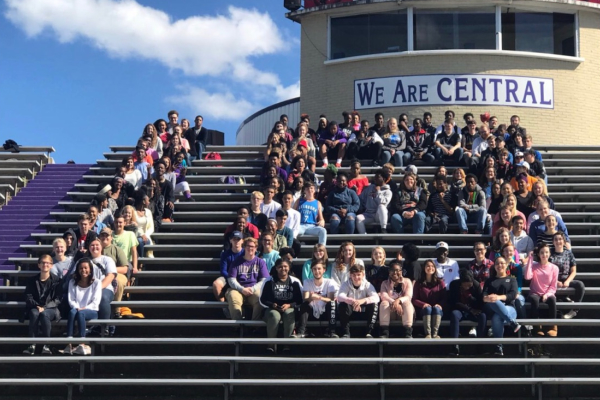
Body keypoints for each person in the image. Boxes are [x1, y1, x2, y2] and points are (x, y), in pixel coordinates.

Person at [259, 259, 303, 353]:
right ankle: (271, 345)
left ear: (289, 267)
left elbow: (300, 300)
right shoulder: (269, 281)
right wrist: (272, 305)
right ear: (276, 268)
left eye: (285, 266)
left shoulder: (295, 281)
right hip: (272, 309)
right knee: (274, 316)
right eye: (280, 267)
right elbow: (262, 299)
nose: (283, 268)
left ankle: (287, 345)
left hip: (289, 308)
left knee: (289, 314)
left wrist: (290, 305)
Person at [23, 254, 62, 355]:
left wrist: (45, 307)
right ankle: (31, 345)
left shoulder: (57, 281)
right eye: (43, 263)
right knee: (34, 314)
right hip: (35, 307)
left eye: (48, 263)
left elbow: (58, 299)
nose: (45, 265)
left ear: (51, 265)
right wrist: (37, 306)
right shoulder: (32, 280)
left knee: (45, 315)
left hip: (51, 308)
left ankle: (47, 345)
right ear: (38, 265)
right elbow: (28, 296)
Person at [482, 257, 521, 356]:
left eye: (502, 263)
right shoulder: (489, 281)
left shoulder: (512, 280)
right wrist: (488, 298)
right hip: (492, 307)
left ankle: (498, 347)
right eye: (497, 264)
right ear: (494, 266)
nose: (500, 265)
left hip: (509, 308)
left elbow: (513, 295)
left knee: (497, 317)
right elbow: (484, 295)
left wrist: (498, 297)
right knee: (493, 301)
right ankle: (512, 323)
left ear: (506, 265)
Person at [63, 258, 101, 356]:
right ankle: (69, 344)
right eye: (81, 268)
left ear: (90, 269)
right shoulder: (72, 282)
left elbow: (95, 302)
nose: (83, 270)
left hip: (91, 310)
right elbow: (71, 299)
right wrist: (77, 308)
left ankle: (82, 344)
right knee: (72, 312)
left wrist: (83, 308)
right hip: (77, 309)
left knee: (80, 313)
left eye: (86, 268)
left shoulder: (97, 282)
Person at [226, 238, 269, 321]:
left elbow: (264, 279)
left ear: (256, 248)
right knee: (233, 298)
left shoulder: (260, 262)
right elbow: (231, 279)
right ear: (244, 247)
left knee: (260, 299)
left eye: (252, 246)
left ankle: (254, 327)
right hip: (238, 289)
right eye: (248, 246)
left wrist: (253, 289)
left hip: (254, 289)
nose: (250, 248)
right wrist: (242, 289)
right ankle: (237, 326)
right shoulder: (236, 261)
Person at [448, 269, 487, 355]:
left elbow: (480, 303)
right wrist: (469, 309)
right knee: (454, 314)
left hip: (473, 311)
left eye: (469, 285)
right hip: (460, 310)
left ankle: (481, 345)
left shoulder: (476, 285)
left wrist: (470, 297)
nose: (467, 287)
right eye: (465, 285)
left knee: (483, 316)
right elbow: (454, 302)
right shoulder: (454, 285)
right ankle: (454, 345)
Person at [297, 261, 339, 338]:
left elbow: (331, 299)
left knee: (332, 304)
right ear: (312, 270)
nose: (317, 271)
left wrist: (318, 297)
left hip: (325, 312)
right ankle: (301, 331)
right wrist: (311, 298)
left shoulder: (330, 282)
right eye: (314, 269)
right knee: (304, 305)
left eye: (319, 269)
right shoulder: (307, 282)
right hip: (312, 311)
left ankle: (332, 331)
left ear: (324, 270)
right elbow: (305, 298)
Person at [524, 244, 559, 337]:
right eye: (542, 252)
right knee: (534, 300)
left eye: (546, 252)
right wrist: (530, 259)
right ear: (538, 254)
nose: (544, 254)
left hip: (548, 293)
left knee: (552, 300)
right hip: (535, 292)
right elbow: (527, 276)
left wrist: (547, 295)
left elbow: (553, 286)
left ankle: (553, 326)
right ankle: (537, 327)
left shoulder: (554, 268)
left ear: (550, 254)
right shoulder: (534, 265)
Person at [337, 264, 380, 338]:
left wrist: (362, 301)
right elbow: (340, 297)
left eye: (358, 275)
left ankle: (369, 332)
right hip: (350, 311)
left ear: (363, 275)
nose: (356, 277)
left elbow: (376, 298)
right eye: (354, 275)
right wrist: (353, 301)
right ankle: (346, 333)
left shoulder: (367, 284)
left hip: (363, 311)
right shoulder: (346, 284)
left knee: (374, 305)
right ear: (350, 275)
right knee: (342, 305)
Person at [550, 232, 585, 320]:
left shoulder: (569, 254)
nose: (558, 241)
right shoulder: (550, 254)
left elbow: (574, 271)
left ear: (564, 241)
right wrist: (556, 281)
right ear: (553, 242)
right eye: (556, 239)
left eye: (560, 239)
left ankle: (574, 310)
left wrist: (568, 281)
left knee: (580, 285)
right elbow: (547, 270)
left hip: (566, 280)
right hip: (553, 281)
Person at [378, 259, 414, 338]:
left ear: (401, 271)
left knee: (407, 302)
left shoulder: (407, 281)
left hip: (404, 311)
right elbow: (384, 296)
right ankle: (384, 331)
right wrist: (394, 303)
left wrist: (398, 301)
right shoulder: (384, 283)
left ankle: (408, 331)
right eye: (392, 270)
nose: (395, 273)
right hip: (392, 311)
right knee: (384, 303)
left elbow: (408, 296)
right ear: (389, 272)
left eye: (397, 270)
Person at [412, 259, 446, 339]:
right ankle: (428, 334)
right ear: (424, 268)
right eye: (428, 266)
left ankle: (435, 334)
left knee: (436, 309)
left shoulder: (440, 282)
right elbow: (414, 299)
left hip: (437, 309)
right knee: (428, 309)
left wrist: (440, 304)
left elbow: (445, 298)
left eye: (432, 266)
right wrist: (423, 304)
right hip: (423, 310)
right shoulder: (418, 283)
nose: (430, 268)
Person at [213, 231, 244, 305]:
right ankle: (224, 307)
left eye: (238, 239)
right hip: (228, 277)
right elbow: (223, 270)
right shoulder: (225, 254)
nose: (236, 241)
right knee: (216, 284)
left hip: (244, 277)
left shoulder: (246, 253)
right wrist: (232, 278)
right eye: (234, 239)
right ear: (230, 240)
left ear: (242, 241)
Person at [356, 170, 392, 234]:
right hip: (369, 214)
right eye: (375, 177)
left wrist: (378, 192)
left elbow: (382, 202)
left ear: (383, 178)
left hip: (379, 216)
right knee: (358, 218)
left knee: (381, 206)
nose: (375, 179)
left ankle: (383, 229)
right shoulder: (370, 188)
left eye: (377, 177)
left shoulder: (388, 192)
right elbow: (360, 198)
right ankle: (365, 237)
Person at [134, 194, 154, 258]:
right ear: (143, 201)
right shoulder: (133, 212)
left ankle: (143, 263)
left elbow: (151, 227)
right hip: (135, 234)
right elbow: (134, 226)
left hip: (146, 236)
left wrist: (145, 235)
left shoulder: (148, 212)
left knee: (144, 241)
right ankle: (141, 262)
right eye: (148, 200)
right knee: (139, 241)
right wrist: (141, 234)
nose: (149, 202)